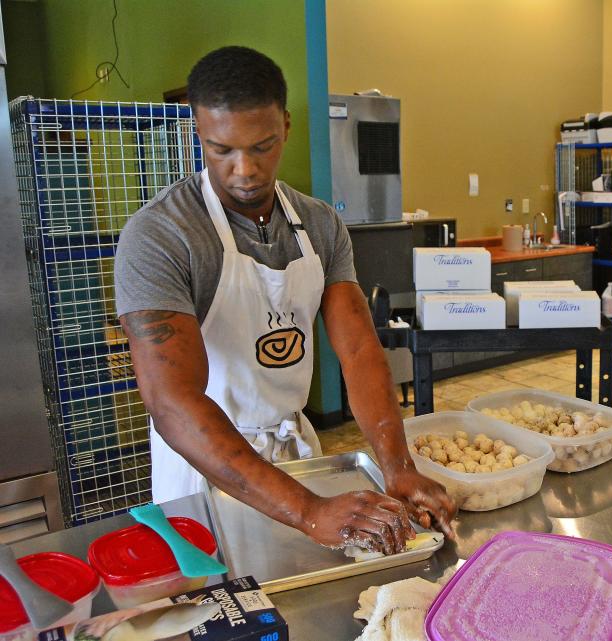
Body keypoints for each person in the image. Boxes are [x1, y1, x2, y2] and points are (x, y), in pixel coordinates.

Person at [115, 46, 455, 555]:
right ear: (197, 131)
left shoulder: (319, 225)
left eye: (262, 146)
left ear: (287, 126)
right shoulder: (162, 236)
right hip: (205, 475)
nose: (244, 169)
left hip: (296, 457)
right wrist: (309, 510)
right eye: (221, 149)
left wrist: (398, 465)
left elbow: (359, 351)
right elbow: (173, 403)